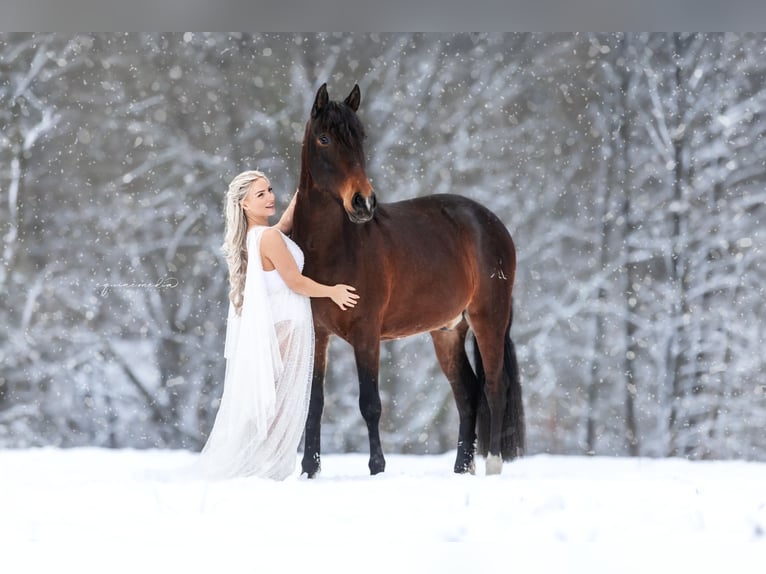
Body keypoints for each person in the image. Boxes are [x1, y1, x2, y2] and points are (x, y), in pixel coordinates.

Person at [197, 169, 358, 480]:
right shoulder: (268, 238)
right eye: (260, 194)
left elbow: (282, 228)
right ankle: (264, 467)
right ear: (244, 204)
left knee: (273, 397)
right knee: (279, 400)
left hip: (277, 325)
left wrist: (304, 190)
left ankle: (264, 464)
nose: (270, 197)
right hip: (286, 327)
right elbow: (295, 282)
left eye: (269, 189)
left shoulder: (255, 236)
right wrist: (332, 291)